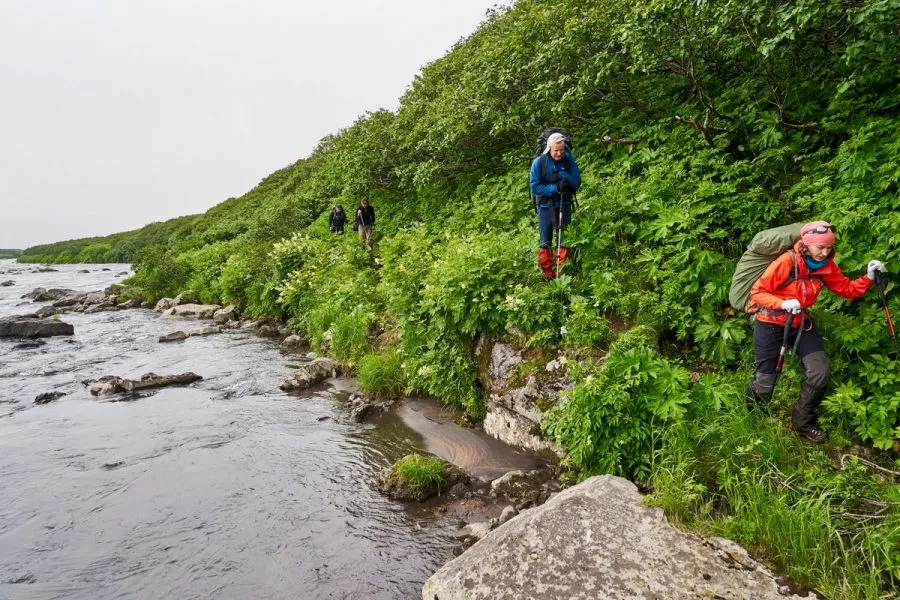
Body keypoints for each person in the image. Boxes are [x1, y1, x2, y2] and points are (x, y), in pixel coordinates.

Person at [745, 220, 885, 442]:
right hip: (770, 322)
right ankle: (754, 417)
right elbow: (757, 293)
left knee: (819, 371)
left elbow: (846, 289)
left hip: (800, 322)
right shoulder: (786, 262)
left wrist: (868, 277)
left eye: (829, 247)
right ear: (806, 245)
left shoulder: (825, 265)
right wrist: (782, 303)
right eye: (820, 247)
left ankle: (802, 422)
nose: (825, 252)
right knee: (765, 380)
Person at [530, 132, 581, 279]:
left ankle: (562, 274)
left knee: (563, 240)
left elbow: (576, 182)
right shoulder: (539, 162)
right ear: (549, 148)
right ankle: (548, 276)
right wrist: (555, 188)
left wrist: (564, 177)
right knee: (545, 241)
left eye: (562, 150)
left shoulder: (568, 160)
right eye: (556, 150)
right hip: (545, 206)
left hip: (564, 203)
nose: (559, 153)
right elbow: (535, 187)